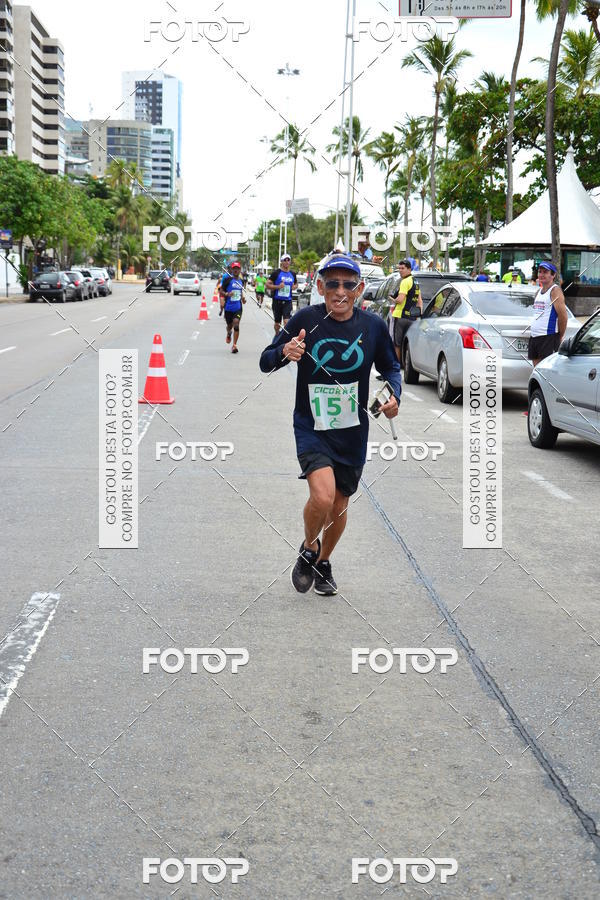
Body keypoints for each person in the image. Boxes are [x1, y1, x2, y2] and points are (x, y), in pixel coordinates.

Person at [259, 253, 401, 596]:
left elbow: (392, 369)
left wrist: (394, 396)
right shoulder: (306, 319)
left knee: (339, 506)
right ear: (320, 286)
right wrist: (284, 353)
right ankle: (309, 548)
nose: (340, 291)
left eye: (348, 284)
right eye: (333, 284)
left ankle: (323, 562)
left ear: (360, 289)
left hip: (352, 430)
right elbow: (266, 361)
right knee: (322, 498)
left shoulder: (373, 327)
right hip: (311, 425)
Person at [528, 261, 568, 366]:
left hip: (548, 337)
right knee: (536, 370)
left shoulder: (555, 291)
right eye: (540, 272)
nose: (541, 275)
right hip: (534, 336)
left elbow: (563, 316)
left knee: (547, 371)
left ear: (553, 275)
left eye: (545, 272)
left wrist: (560, 335)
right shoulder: (538, 292)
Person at [389, 259, 422, 366]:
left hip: (400, 316)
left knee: (396, 344)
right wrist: (418, 315)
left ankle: (394, 367)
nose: (400, 271)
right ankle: (405, 365)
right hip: (412, 318)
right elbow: (419, 302)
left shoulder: (405, 282)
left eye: (403, 268)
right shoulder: (416, 282)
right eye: (399, 268)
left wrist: (392, 299)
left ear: (409, 269)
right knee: (407, 343)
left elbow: (400, 300)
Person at [267, 253, 297, 336]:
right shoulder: (276, 273)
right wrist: (278, 286)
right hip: (277, 301)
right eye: (285, 260)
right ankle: (277, 334)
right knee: (277, 323)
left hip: (288, 301)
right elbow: (267, 285)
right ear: (281, 262)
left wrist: (293, 287)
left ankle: (284, 337)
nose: (287, 262)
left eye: (288, 260)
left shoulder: (293, 274)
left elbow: (296, 284)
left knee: (286, 322)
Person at [221, 261, 245, 353]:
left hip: (238, 307)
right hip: (228, 307)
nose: (236, 270)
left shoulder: (241, 281)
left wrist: (243, 298)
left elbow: (241, 292)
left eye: (237, 268)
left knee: (236, 324)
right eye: (234, 268)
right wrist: (227, 294)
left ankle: (234, 345)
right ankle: (228, 333)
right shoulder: (228, 280)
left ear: (240, 270)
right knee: (229, 326)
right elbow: (221, 291)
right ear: (231, 270)